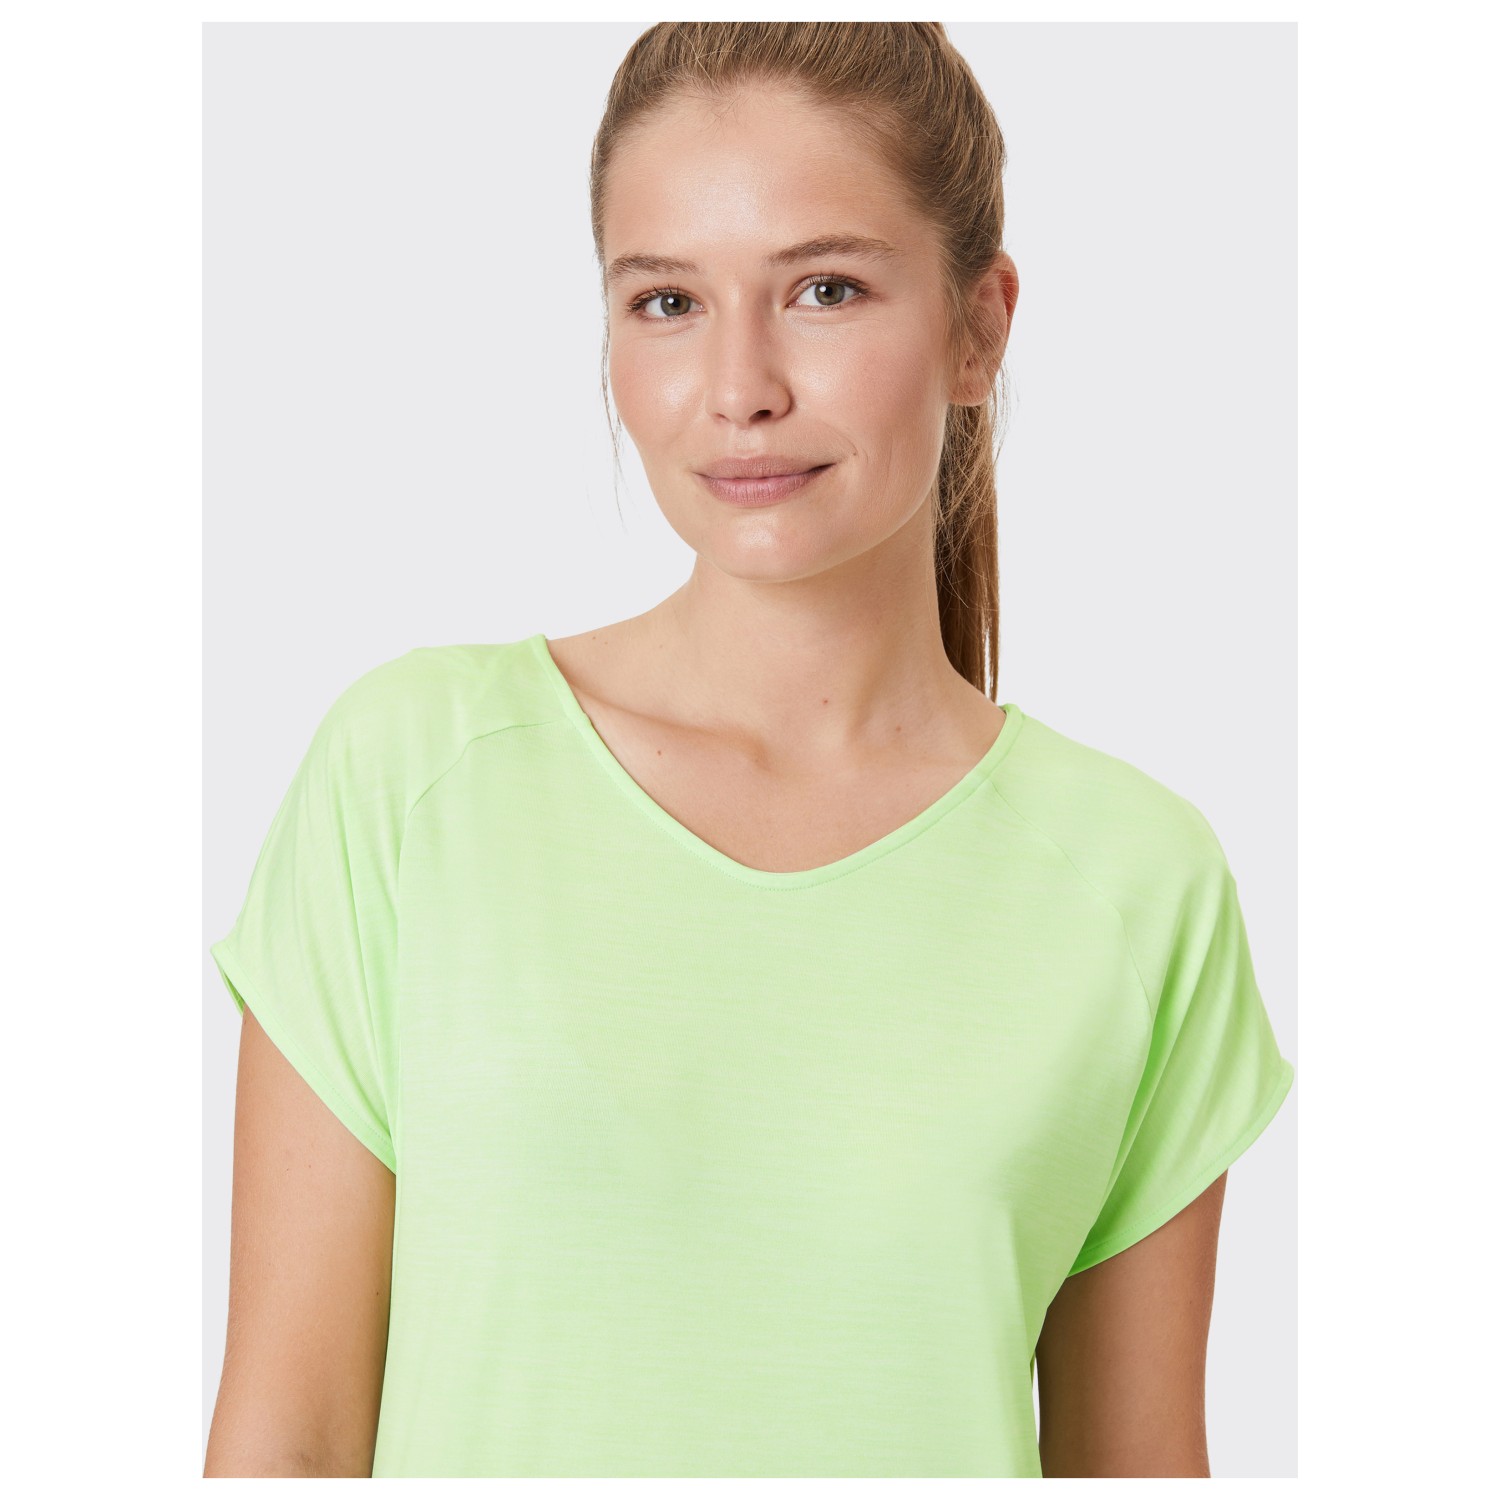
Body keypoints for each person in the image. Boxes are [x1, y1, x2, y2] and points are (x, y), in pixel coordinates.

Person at [204, 21, 1294, 1480]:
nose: (740, 385)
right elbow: (286, 1437)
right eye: (667, 302)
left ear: (979, 328)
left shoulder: (1138, 882)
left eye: (825, 290)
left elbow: (1136, 1467)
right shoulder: (412, 779)